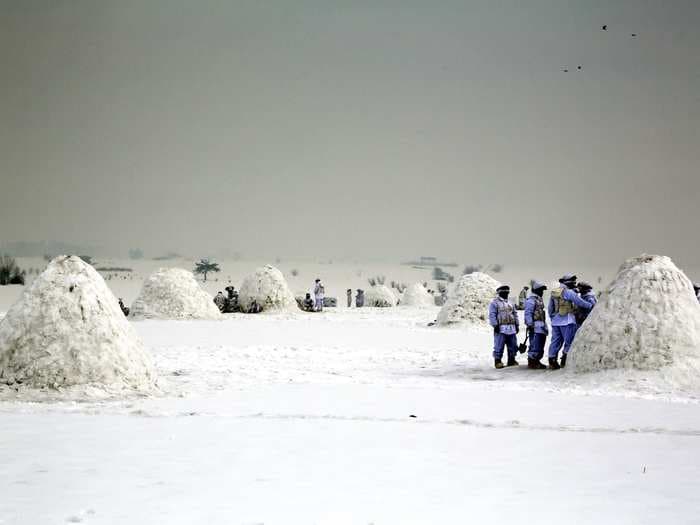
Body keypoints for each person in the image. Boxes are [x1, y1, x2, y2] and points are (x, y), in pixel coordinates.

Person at [547, 274, 593, 369]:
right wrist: (591, 306)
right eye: (573, 281)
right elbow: (579, 302)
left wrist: (553, 318)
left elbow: (550, 308)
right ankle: (565, 360)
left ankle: (552, 360)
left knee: (555, 341)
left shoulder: (555, 292)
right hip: (567, 320)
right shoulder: (568, 292)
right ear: (567, 282)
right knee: (569, 341)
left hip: (556, 321)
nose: (574, 283)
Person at [489, 285, 520, 369]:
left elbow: (515, 314)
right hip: (501, 328)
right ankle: (498, 361)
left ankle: (511, 360)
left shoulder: (510, 303)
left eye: (507, 292)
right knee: (499, 345)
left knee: (513, 345)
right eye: (504, 292)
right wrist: (495, 325)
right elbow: (492, 315)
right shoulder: (494, 303)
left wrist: (517, 325)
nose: (506, 294)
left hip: (511, 327)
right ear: (500, 293)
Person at [524, 281, 548, 369]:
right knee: (535, 344)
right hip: (535, 326)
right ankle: (532, 361)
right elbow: (528, 313)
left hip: (541, 326)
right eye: (541, 290)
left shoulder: (539, 300)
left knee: (540, 344)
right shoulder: (531, 300)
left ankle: (537, 360)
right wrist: (530, 325)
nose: (542, 292)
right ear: (536, 290)